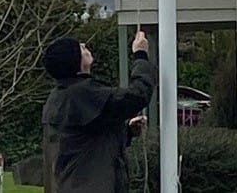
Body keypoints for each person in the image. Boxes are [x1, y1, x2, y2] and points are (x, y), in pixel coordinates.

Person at [41, 28, 155, 193]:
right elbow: (137, 96)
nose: (84, 45)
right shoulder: (82, 93)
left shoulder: (61, 96)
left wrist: (127, 131)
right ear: (73, 61)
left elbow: (86, 141)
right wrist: (141, 56)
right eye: (79, 48)